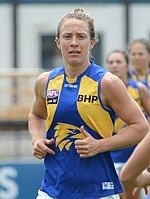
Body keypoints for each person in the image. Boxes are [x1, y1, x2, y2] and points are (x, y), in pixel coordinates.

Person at [28, 8, 149, 199]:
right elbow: (36, 115)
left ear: (92, 42)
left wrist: (100, 145)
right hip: (52, 189)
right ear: (58, 42)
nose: (74, 43)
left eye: (81, 36)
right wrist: (36, 139)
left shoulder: (107, 83)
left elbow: (141, 127)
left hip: (98, 190)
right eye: (67, 36)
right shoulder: (45, 81)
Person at [107, 50, 150, 199]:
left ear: (126, 65)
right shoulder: (102, 90)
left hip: (135, 155)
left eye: (118, 62)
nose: (114, 65)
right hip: (110, 156)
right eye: (111, 62)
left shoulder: (138, 88)